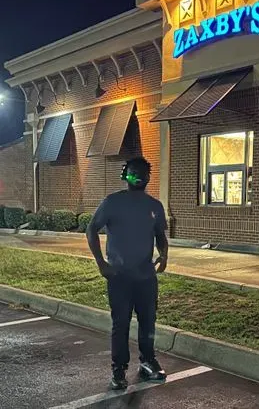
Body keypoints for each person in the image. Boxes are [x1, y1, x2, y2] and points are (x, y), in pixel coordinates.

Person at [86, 156, 169, 390]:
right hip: (119, 277)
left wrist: (164, 255)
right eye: (134, 172)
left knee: (148, 322)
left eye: (143, 173)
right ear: (125, 175)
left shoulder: (155, 206)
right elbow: (91, 229)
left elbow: (160, 235)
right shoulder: (112, 202)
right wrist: (101, 263)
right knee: (120, 323)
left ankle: (148, 361)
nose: (139, 176)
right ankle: (119, 369)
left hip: (146, 277)